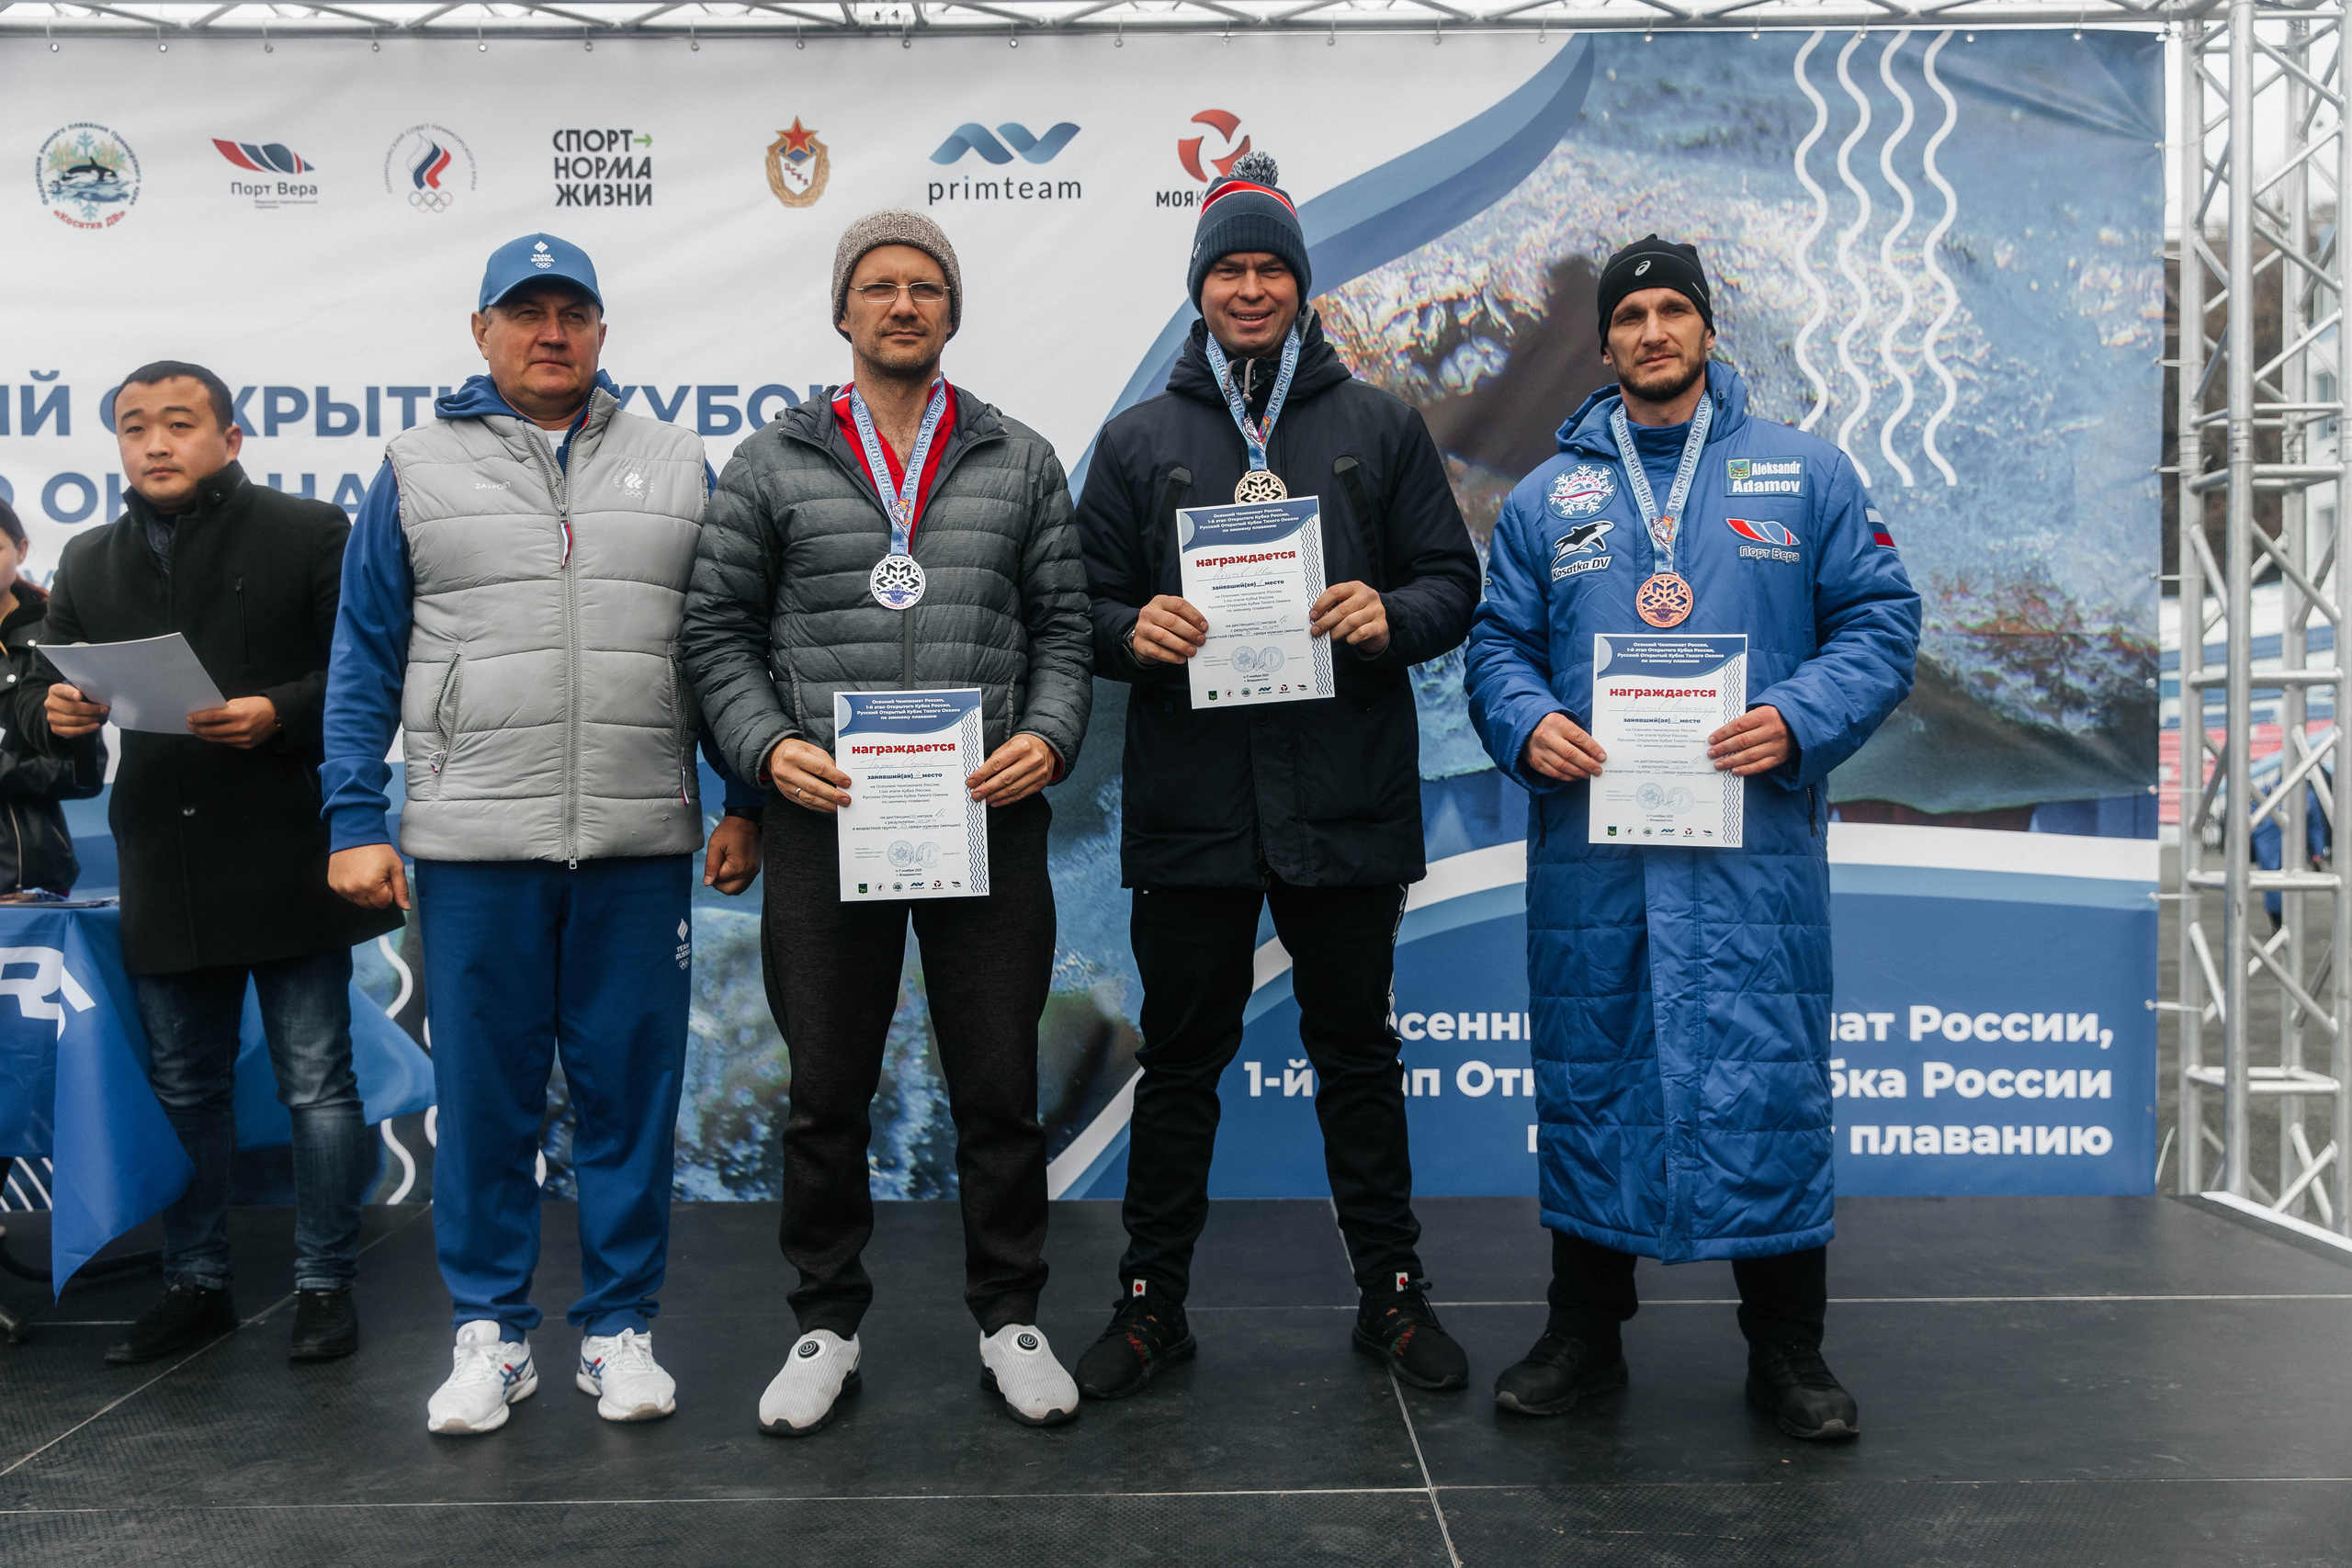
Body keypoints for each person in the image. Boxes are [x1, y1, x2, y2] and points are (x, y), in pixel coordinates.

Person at [1464, 236, 1920, 1440]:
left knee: (1767, 1077)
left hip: (1750, 848)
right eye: (1631, 315)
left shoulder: (1805, 473)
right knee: (1593, 1070)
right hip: (1595, 854)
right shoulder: (1547, 497)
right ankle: (1582, 1333)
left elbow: (1880, 619)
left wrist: (1798, 716)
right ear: (1604, 341)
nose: (1653, 330)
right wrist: (1528, 720)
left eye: (1675, 310)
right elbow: (1498, 644)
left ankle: (1788, 1348)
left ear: (1709, 331)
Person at [321, 234, 763, 1436]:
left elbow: (721, 645)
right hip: (473, 845)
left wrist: (744, 799)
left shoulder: (678, 461)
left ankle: (619, 1330)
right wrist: (353, 814)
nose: (551, 332)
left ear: (603, 330)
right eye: (525, 312)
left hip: (637, 842)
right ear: (483, 332)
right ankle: (491, 1334)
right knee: (484, 1102)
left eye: (573, 311)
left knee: (631, 1095)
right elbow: (363, 655)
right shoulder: (414, 467)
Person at [1071, 152, 1482, 1400]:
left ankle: (1393, 1293)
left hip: (1343, 793)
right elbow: (1076, 605)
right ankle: (1151, 1305)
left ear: (1301, 285)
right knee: (1179, 1061)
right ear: (1199, 288)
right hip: (1194, 804)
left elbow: (1451, 582)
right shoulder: (1137, 440)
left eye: (1270, 269)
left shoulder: (1379, 425)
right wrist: (1130, 630)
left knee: (1357, 1054)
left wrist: (1389, 613)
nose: (1249, 289)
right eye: (1229, 270)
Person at [681, 210, 1091, 1435]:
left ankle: (1010, 1315)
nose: (902, 304)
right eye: (878, 286)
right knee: (826, 1088)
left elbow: (1066, 629)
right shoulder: (772, 461)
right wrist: (769, 751)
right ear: (842, 311)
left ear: (951, 311)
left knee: (998, 1082)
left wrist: (1049, 735)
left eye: (925, 287)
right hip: (827, 815)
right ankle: (825, 1321)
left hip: (984, 811)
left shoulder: (1019, 457)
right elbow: (717, 634)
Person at [19, 361, 401, 1366]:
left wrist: (280, 711)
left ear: (230, 439)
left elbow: (365, 673)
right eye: (135, 426)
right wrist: (57, 714)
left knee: (316, 1084)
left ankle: (325, 1284)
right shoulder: (88, 558)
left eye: (180, 423)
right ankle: (196, 1283)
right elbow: (50, 713)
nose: (156, 442)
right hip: (165, 856)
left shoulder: (307, 530)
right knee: (184, 1089)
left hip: (289, 846)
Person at [0, 498, 104, 897]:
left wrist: (4, 769)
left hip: (26, 882)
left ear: (22, 549)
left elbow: (84, 773)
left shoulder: (55, 637)